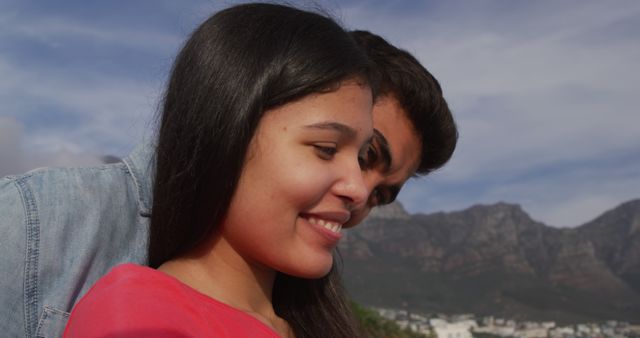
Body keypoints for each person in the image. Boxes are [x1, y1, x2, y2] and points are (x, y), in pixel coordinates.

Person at [0, 9, 457, 338]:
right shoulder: (43, 224)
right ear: (230, 127)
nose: (359, 194)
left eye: (383, 195)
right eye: (329, 149)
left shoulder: (308, 308)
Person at [65, 3, 377, 337]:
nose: (358, 190)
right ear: (224, 134)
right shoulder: (140, 316)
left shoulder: (311, 320)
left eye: (361, 157)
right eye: (326, 149)